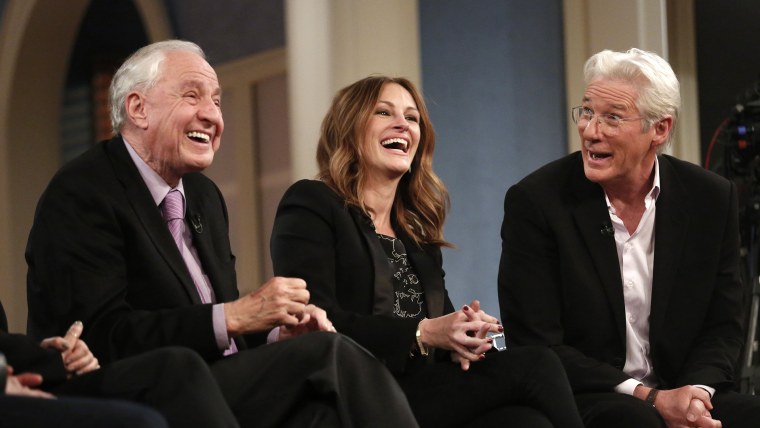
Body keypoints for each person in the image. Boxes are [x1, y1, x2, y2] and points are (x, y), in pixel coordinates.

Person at [25, 40, 418, 428]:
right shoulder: (84, 191)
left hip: (217, 381)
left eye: (216, 101)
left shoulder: (203, 196)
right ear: (138, 108)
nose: (211, 115)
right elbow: (103, 335)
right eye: (192, 96)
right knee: (329, 354)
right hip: (133, 387)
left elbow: (226, 326)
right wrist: (234, 316)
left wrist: (277, 336)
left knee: (323, 411)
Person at [270, 75, 585, 428]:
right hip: (358, 393)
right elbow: (316, 320)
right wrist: (421, 334)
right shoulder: (312, 203)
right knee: (538, 364)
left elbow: (441, 325)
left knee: (525, 422)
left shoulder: (415, 234)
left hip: (425, 390)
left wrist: (466, 333)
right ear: (349, 128)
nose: (402, 125)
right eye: (384, 112)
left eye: (412, 118)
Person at [498, 47, 760, 428]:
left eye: (612, 118)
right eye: (586, 112)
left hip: (685, 389)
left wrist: (696, 395)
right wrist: (651, 398)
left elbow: (723, 325)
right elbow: (537, 344)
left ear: (660, 129)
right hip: (592, 395)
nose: (590, 130)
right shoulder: (537, 203)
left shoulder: (710, 198)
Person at [0, 299, 237, 428]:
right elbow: (106, 330)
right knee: (166, 382)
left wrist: (48, 353)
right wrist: (47, 360)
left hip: (18, 375)